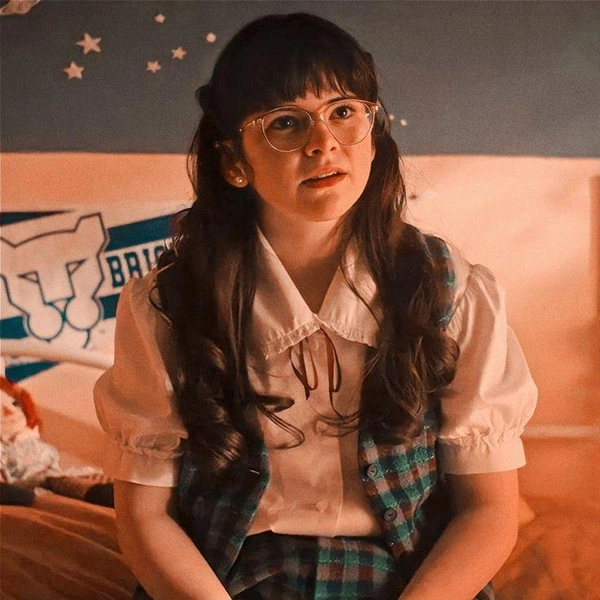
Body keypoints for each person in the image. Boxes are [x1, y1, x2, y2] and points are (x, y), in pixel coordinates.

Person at [94, 13, 537, 600]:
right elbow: (145, 517)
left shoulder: (451, 290)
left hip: (412, 584)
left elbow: (489, 510)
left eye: (344, 112)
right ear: (234, 162)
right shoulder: (168, 307)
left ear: (373, 135)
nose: (323, 142)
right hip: (224, 583)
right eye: (285, 122)